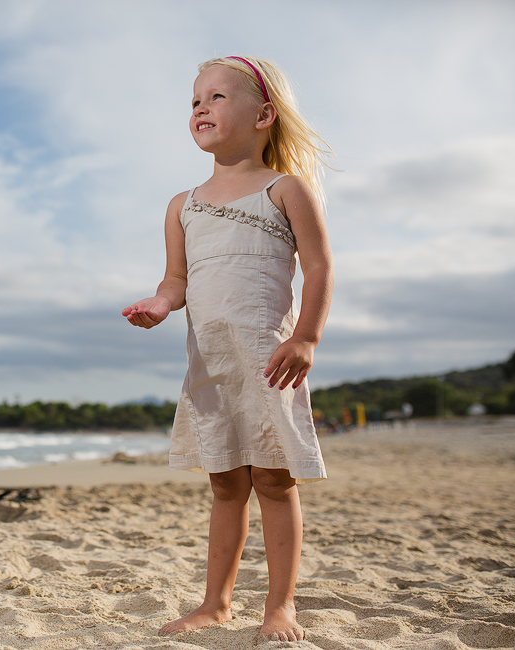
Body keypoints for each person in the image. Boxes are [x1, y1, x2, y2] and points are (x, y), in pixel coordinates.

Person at [122, 56, 334, 642]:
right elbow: (177, 282)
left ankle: (280, 607)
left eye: (216, 97)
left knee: (272, 479)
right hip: (210, 365)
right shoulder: (182, 205)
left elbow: (318, 267)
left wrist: (307, 337)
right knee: (223, 483)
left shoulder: (283, 189)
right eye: (194, 101)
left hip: (271, 361)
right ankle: (215, 603)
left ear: (264, 114)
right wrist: (159, 306)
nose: (200, 108)